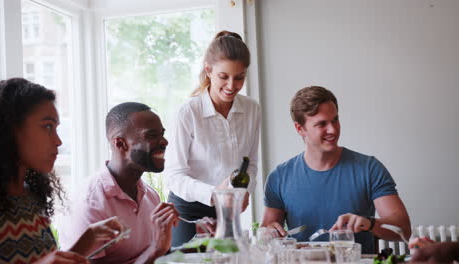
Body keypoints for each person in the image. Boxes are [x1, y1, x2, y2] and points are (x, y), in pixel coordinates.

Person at [261, 86, 411, 253]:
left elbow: (403, 229)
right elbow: (266, 236)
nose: (333, 130)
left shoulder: (369, 168)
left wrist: (368, 223)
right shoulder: (279, 177)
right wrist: (269, 233)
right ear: (300, 128)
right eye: (322, 124)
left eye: (335, 120)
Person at [0, 78, 123, 263]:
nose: (58, 141)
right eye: (47, 126)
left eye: (55, 128)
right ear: (10, 130)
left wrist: (87, 241)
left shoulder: (30, 196)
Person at [163, 30, 261, 246]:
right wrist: (215, 193)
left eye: (239, 77)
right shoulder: (188, 112)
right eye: (223, 77)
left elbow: (251, 163)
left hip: (226, 211)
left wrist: (245, 190)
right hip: (187, 213)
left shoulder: (252, 109)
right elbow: (173, 175)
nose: (231, 86)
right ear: (208, 70)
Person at [59, 102, 180, 264]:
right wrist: (156, 249)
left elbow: (159, 258)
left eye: (162, 134)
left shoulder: (150, 195)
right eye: (151, 135)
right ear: (120, 144)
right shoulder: (90, 203)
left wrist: (203, 242)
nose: (164, 141)